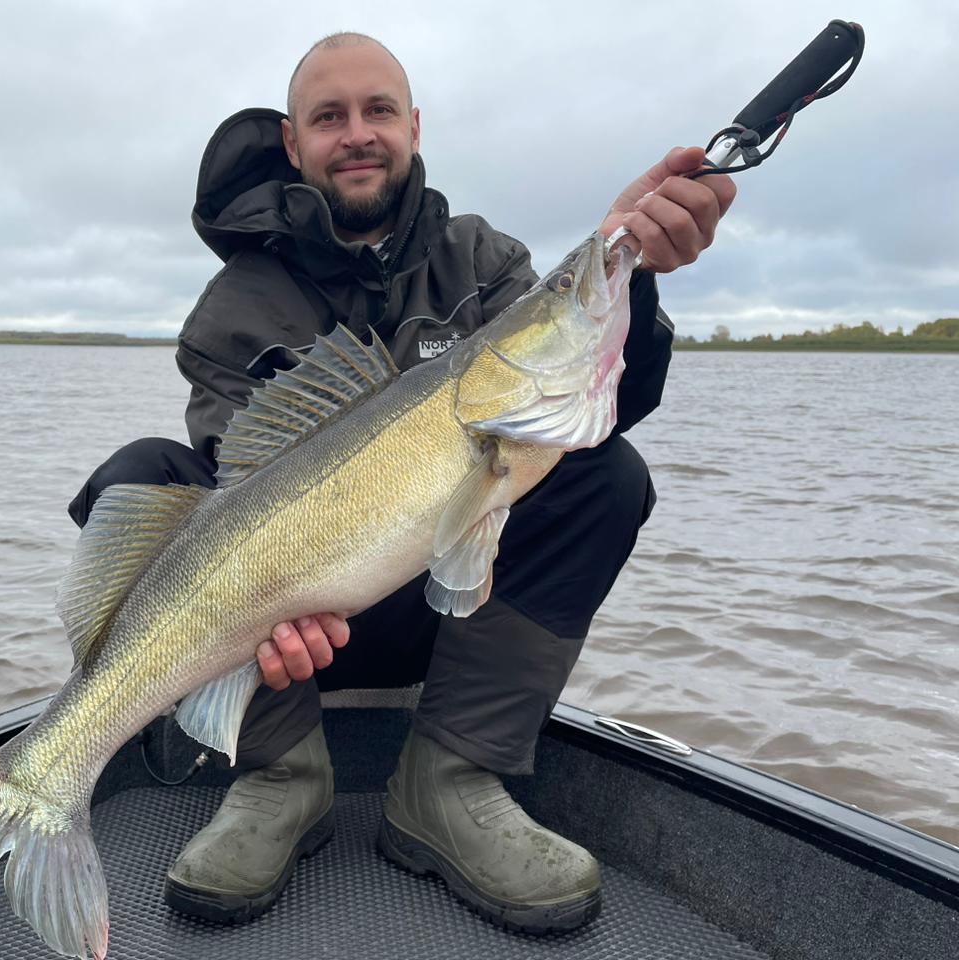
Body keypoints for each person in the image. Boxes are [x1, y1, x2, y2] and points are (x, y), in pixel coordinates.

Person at [68, 32, 735, 934]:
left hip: (448, 616)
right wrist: (273, 605)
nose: (358, 133)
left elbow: (601, 401)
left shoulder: (483, 260)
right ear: (293, 141)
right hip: (286, 625)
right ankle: (279, 776)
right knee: (144, 476)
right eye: (329, 116)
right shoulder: (231, 310)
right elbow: (238, 481)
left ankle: (449, 779)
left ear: (414, 126)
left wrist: (631, 272)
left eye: (378, 110)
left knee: (606, 476)